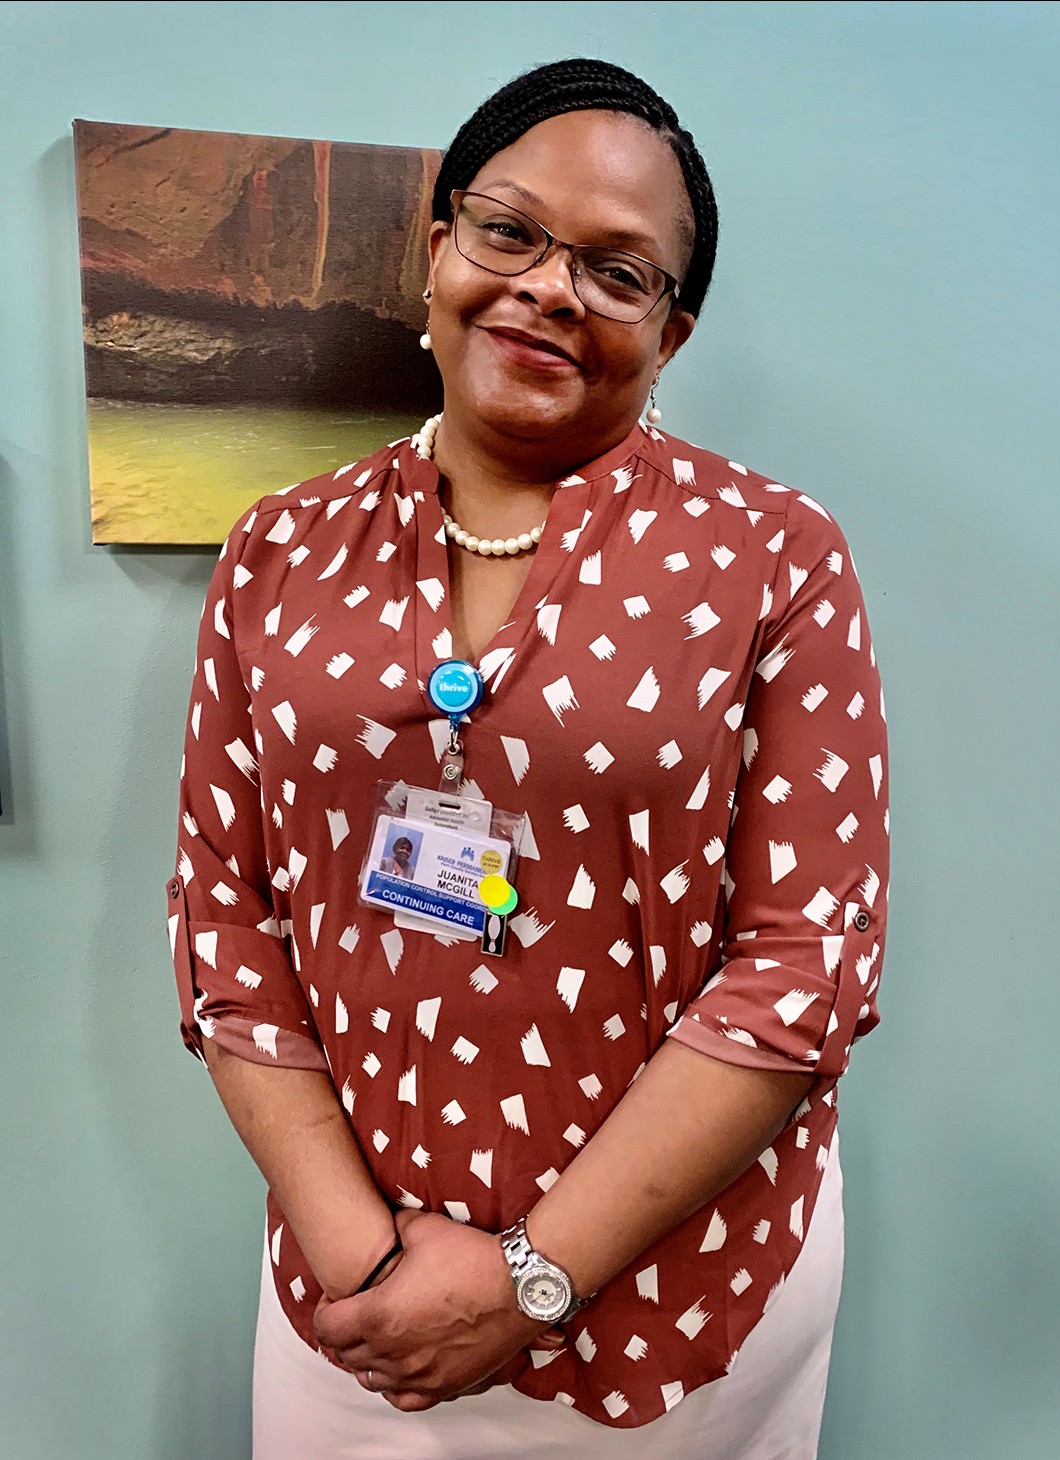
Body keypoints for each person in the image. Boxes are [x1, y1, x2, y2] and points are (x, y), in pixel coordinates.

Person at [167, 57, 889, 1459]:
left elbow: (808, 965)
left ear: (670, 336)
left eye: (620, 274)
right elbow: (223, 911)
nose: (552, 288)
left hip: (683, 1297)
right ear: (436, 248)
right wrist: (367, 1265)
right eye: (510, 231)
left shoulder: (773, 557)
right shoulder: (278, 548)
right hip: (353, 1303)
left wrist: (529, 1280)